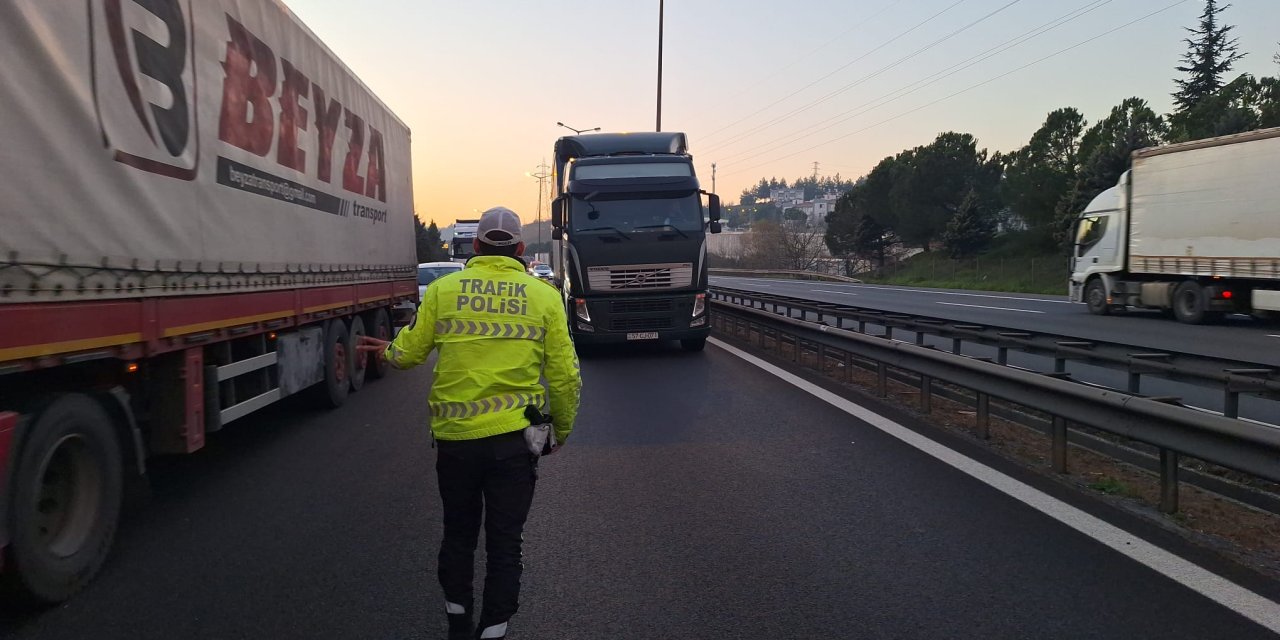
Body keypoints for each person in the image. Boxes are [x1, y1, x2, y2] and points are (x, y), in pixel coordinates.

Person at [357, 206, 581, 640]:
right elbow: (565, 375)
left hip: (456, 442)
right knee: (504, 541)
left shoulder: (443, 291)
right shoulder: (543, 297)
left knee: (458, 534)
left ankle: (458, 623)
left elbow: (409, 354)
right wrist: (561, 430)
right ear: (519, 248)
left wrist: (386, 351)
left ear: (475, 246)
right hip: (515, 442)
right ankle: (493, 631)